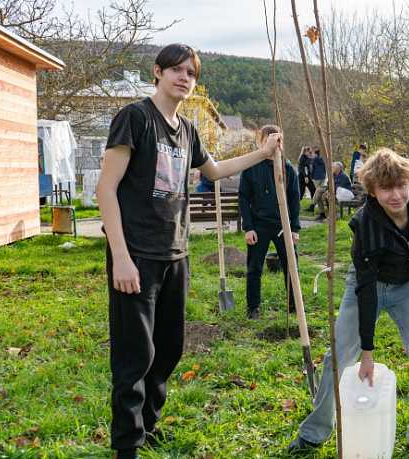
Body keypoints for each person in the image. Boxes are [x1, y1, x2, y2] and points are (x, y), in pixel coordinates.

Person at [96, 43, 281, 459]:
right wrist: (120, 257)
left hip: (174, 253)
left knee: (169, 347)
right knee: (135, 354)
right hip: (136, 254)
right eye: (176, 70)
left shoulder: (187, 129)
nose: (184, 78)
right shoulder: (135, 118)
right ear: (157, 73)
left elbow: (214, 171)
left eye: (191, 73)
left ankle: (148, 425)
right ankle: (127, 445)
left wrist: (263, 154)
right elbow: (105, 188)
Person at [288, 148, 409, 459]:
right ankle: (314, 432)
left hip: (407, 285)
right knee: (336, 357)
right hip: (367, 286)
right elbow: (366, 289)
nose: (396, 195)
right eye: (386, 188)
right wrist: (367, 351)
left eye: (401, 185)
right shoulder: (365, 225)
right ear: (373, 191)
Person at [239, 125, 301, 319]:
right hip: (259, 225)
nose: (274, 144)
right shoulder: (251, 167)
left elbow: (294, 198)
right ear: (262, 141)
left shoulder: (287, 167)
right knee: (254, 268)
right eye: (269, 140)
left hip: (283, 226)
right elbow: (243, 198)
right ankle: (253, 308)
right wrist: (248, 227)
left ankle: (294, 305)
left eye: (277, 140)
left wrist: (294, 227)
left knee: (291, 267)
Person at [306, 147, 327, 212]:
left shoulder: (314, 160)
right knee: (319, 194)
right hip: (322, 177)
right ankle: (321, 212)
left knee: (318, 193)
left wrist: (311, 177)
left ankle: (313, 206)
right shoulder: (322, 160)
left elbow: (312, 169)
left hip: (316, 178)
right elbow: (324, 169)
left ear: (315, 154)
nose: (312, 154)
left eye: (312, 153)